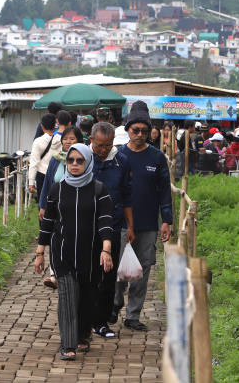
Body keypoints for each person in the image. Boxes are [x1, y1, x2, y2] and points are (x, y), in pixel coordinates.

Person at [34, 144, 114, 360]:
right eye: (71, 160)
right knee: (67, 296)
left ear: (88, 162)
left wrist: (106, 249)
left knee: (88, 295)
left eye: (80, 160)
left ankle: (82, 334)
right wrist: (40, 253)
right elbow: (48, 222)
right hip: (63, 252)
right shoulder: (56, 189)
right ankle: (67, 344)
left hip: (91, 253)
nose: (75, 164)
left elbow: (106, 222)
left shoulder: (99, 189)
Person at [114, 101, 173, 332]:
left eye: (144, 131)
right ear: (127, 130)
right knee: (118, 269)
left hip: (148, 223)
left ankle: (133, 315)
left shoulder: (156, 158)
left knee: (141, 270)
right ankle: (114, 304)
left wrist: (166, 220)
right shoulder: (118, 155)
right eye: (135, 130)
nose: (139, 134)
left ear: (150, 133)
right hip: (120, 224)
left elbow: (164, 191)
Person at [88, 122, 134, 338]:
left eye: (108, 145)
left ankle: (101, 321)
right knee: (87, 275)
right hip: (86, 225)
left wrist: (130, 225)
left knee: (108, 276)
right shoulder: (83, 158)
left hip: (113, 225)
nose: (104, 149)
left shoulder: (121, 161)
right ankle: (83, 317)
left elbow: (126, 194)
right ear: (91, 140)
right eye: (99, 145)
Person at [38, 125, 85, 288]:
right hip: (55, 207)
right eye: (65, 138)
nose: (68, 141)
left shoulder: (85, 158)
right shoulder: (55, 158)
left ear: (79, 140)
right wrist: (43, 206)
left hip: (77, 207)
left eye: (72, 138)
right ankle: (55, 274)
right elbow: (47, 184)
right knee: (54, 238)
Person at [28, 113, 60, 201]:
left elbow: (34, 162)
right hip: (57, 175)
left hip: (42, 175)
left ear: (42, 126)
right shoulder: (60, 140)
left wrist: (31, 182)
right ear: (54, 126)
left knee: (43, 202)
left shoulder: (38, 142)